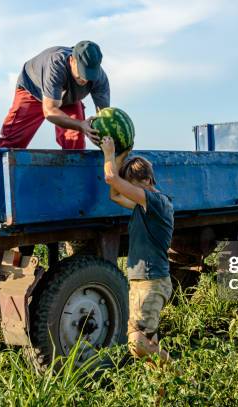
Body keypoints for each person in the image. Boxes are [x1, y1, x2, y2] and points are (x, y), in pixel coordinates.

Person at [100, 136, 174, 363]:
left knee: (137, 343)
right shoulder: (143, 205)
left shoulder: (156, 202)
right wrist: (123, 155)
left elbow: (111, 178)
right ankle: (162, 392)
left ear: (148, 180)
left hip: (152, 282)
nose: (129, 191)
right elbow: (114, 192)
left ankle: (185, 379)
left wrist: (109, 154)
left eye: (132, 186)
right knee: (148, 345)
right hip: (141, 282)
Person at [0, 41, 110, 149]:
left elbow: (105, 117)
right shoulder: (56, 65)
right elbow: (50, 111)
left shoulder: (100, 79)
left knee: (76, 141)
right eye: (82, 72)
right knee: (11, 143)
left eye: (89, 75)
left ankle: (72, 168)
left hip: (69, 98)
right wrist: (80, 125)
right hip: (33, 90)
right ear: (72, 60)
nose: (85, 79)